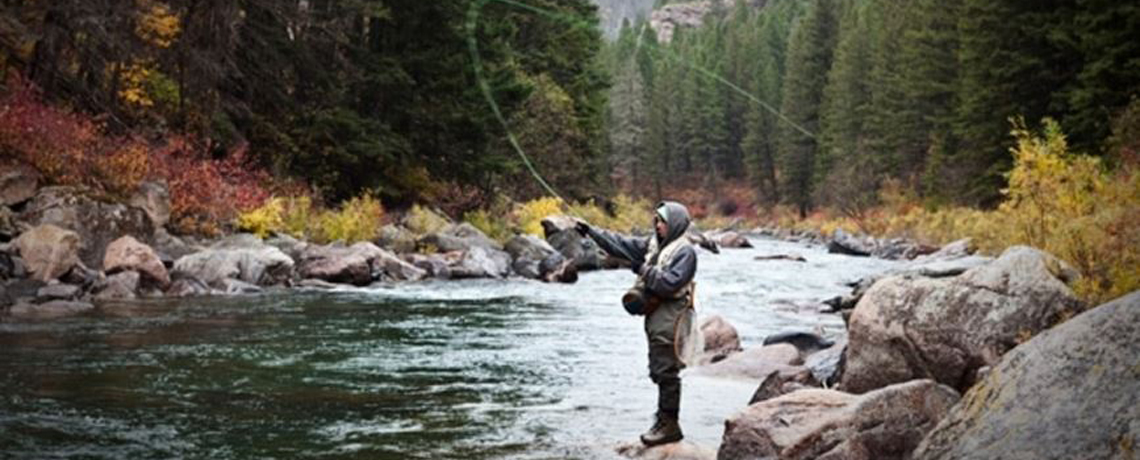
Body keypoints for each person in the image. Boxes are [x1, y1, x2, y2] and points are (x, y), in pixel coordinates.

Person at [575, 201, 697, 446]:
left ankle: (670, 425)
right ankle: (662, 420)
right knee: (658, 367)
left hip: (673, 314)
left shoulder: (686, 252)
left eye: (662, 221)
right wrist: (591, 231)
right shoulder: (652, 245)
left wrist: (641, 269)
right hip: (657, 314)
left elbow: (669, 284)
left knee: (667, 370)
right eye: (657, 220)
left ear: (675, 224)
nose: (658, 225)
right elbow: (620, 244)